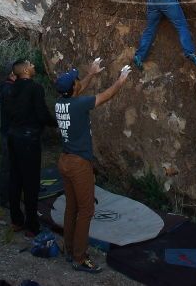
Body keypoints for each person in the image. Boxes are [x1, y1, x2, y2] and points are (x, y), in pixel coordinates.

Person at [54, 58, 132, 273]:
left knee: (72, 207)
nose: (78, 82)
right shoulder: (78, 104)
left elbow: (77, 89)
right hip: (79, 164)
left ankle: (69, 249)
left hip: (65, 161)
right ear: (73, 88)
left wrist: (91, 74)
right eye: (76, 81)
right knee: (86, 211)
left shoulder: (61, 102)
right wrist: (120, 81)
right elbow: (105, 96)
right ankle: (79, 258)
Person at [5, 59, 57, 236]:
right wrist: (56, 123)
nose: (34, 66)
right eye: (32, 65)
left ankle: (16, 220)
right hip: (29, 139)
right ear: (26, 70)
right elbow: (42, 113)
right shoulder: (35, 88)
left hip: (13, 136)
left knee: (15, 178)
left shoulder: (10, 88)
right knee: (31, 182)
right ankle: (32, 226)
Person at [0, 61, 20, 208]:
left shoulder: (9, 88)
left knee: (10, 166)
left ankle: (8, 196)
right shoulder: (9, 90)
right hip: (11, 134)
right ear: (12, 74)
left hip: (10, 133)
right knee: (8, 167)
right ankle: (6, 199)